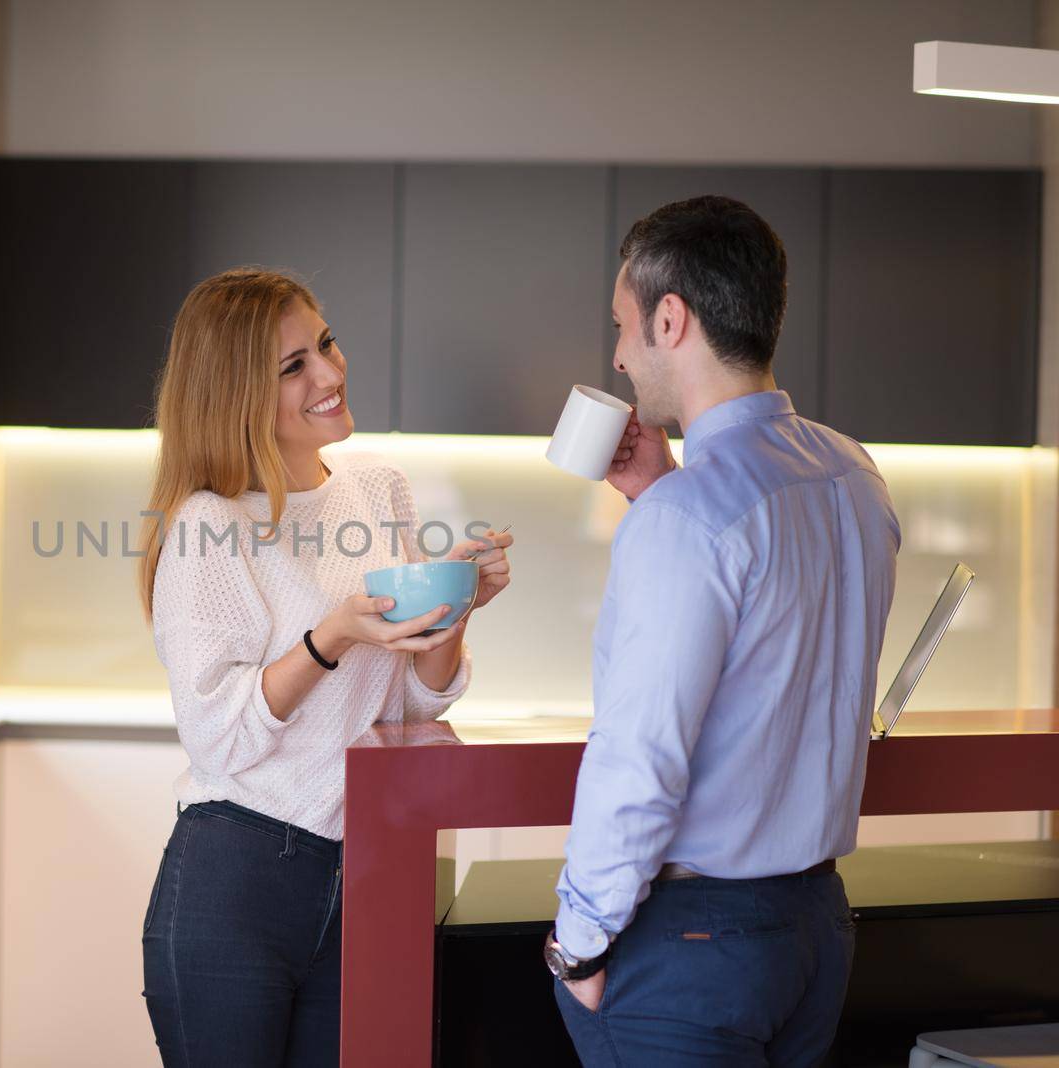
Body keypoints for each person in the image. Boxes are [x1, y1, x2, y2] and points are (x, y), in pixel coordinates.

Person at [546, 196, 901, 1066]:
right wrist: (658, 487)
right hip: (813, 930)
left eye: (625, 326)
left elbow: (642, 755)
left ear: (672, 319)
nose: (621, 354)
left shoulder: (686, 518)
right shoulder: (853, 471)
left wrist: (581, 943)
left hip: (694, 952)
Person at [137, 267, 513, 1067]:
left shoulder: (378, 492)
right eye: (293, 366)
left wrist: (455, 609)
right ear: (236, 393)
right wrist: (330, 637)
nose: (331, 374)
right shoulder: (210, 523)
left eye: (326, 344)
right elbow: (219, 739)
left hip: (366, 871)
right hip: (236, 878)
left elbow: (414, 708)